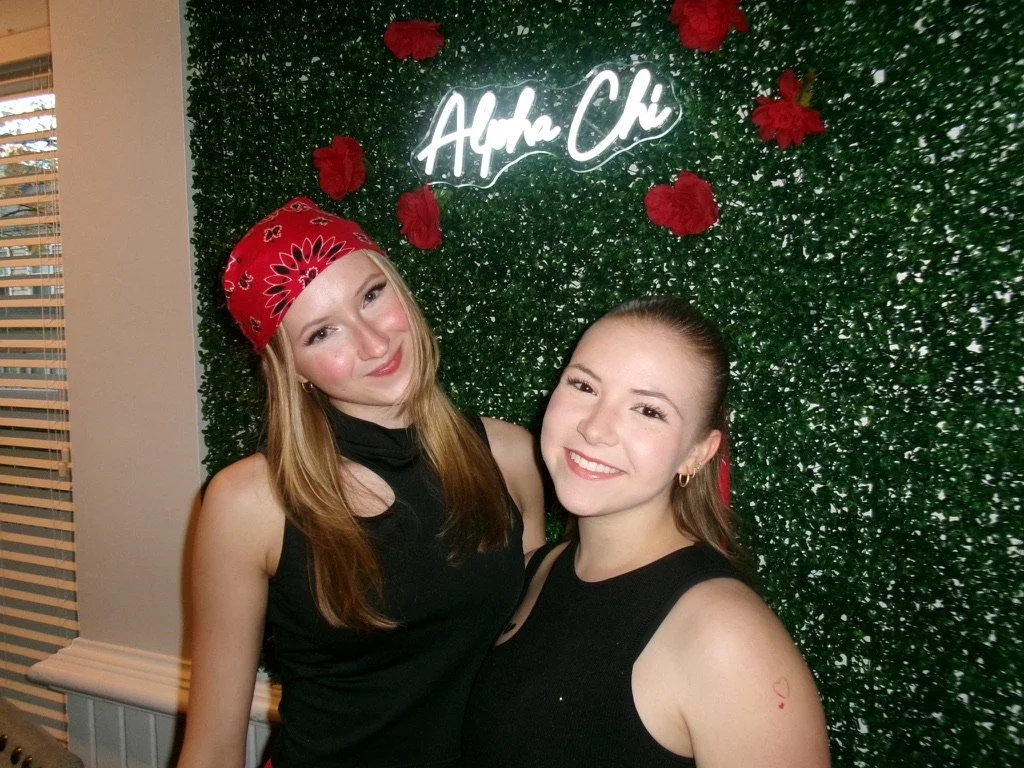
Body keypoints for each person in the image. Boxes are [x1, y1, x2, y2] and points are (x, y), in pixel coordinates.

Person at [177, 196, 545, 768]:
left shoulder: (511, 457)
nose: (374, 344)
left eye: (372, 296)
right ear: (290, 368)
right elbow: (213, 749)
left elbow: (535, 659)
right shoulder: (250, 504)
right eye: (323, 333)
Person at [463, 295, 830, 767]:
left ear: (698, 453)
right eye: (583, 385)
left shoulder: (725, 639)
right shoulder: (546, 567)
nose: (596, 429)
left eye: (649, 411)